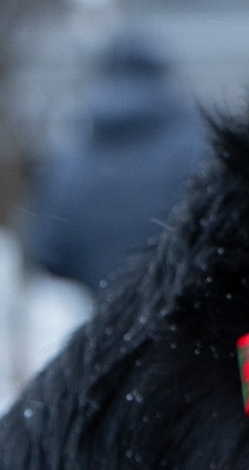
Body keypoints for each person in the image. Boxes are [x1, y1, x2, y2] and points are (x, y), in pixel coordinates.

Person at [28, 34, 207, 293]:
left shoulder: (71, 157)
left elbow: (48, 251)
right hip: (183, 312)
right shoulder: (197, 144)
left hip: (105, 318)